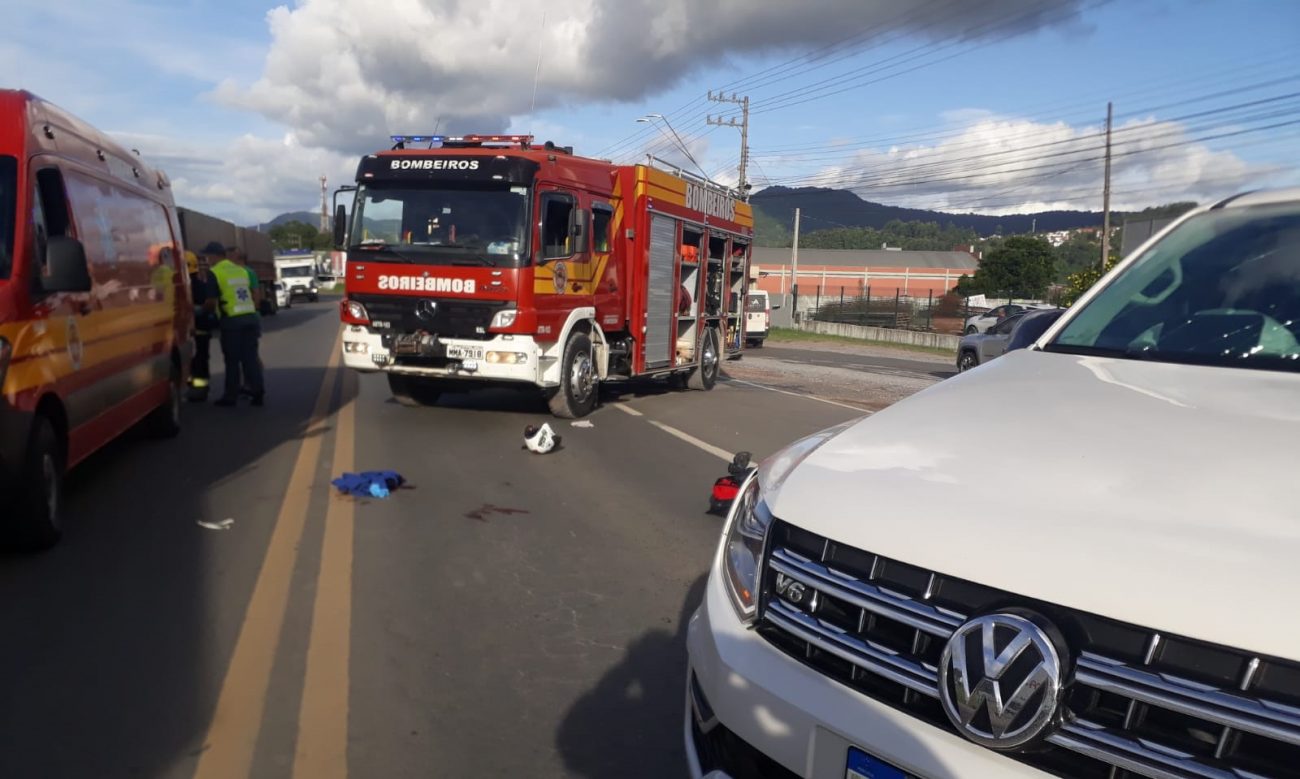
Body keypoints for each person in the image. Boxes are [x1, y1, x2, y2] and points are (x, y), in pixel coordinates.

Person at [206, 242, 266, 407]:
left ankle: (230, 396)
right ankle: (258, 392)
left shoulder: (215, 273)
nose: (207, 259)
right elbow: (251, 293)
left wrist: (204, 311)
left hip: (232, 321)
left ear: (214, 256)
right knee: (250, 358)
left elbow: (211, 301)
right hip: (250, 318)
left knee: (232, 360)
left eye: (208, 256)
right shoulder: (241, 271)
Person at [186, 250, 219, 401]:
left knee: (191, 360)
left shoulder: (178, 287)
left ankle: (194, 387)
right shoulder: (201, 285)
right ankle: (201, 389)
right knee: (201, 359)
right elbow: (209, 305)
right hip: (202, 330)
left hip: (188, 331)